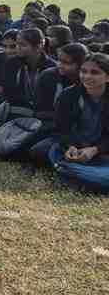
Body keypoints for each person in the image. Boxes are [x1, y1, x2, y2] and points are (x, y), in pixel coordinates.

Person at [47, 53, 109, 192]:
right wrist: (70, 146)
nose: (87, 76)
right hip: (77, 148)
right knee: (41, 150)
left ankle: (77, 175)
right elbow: (61, 129)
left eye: (94, 72)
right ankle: (84, 175)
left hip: (103, 150)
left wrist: (95, 150)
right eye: (83, 71)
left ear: (107, 77)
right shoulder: (68, 95)